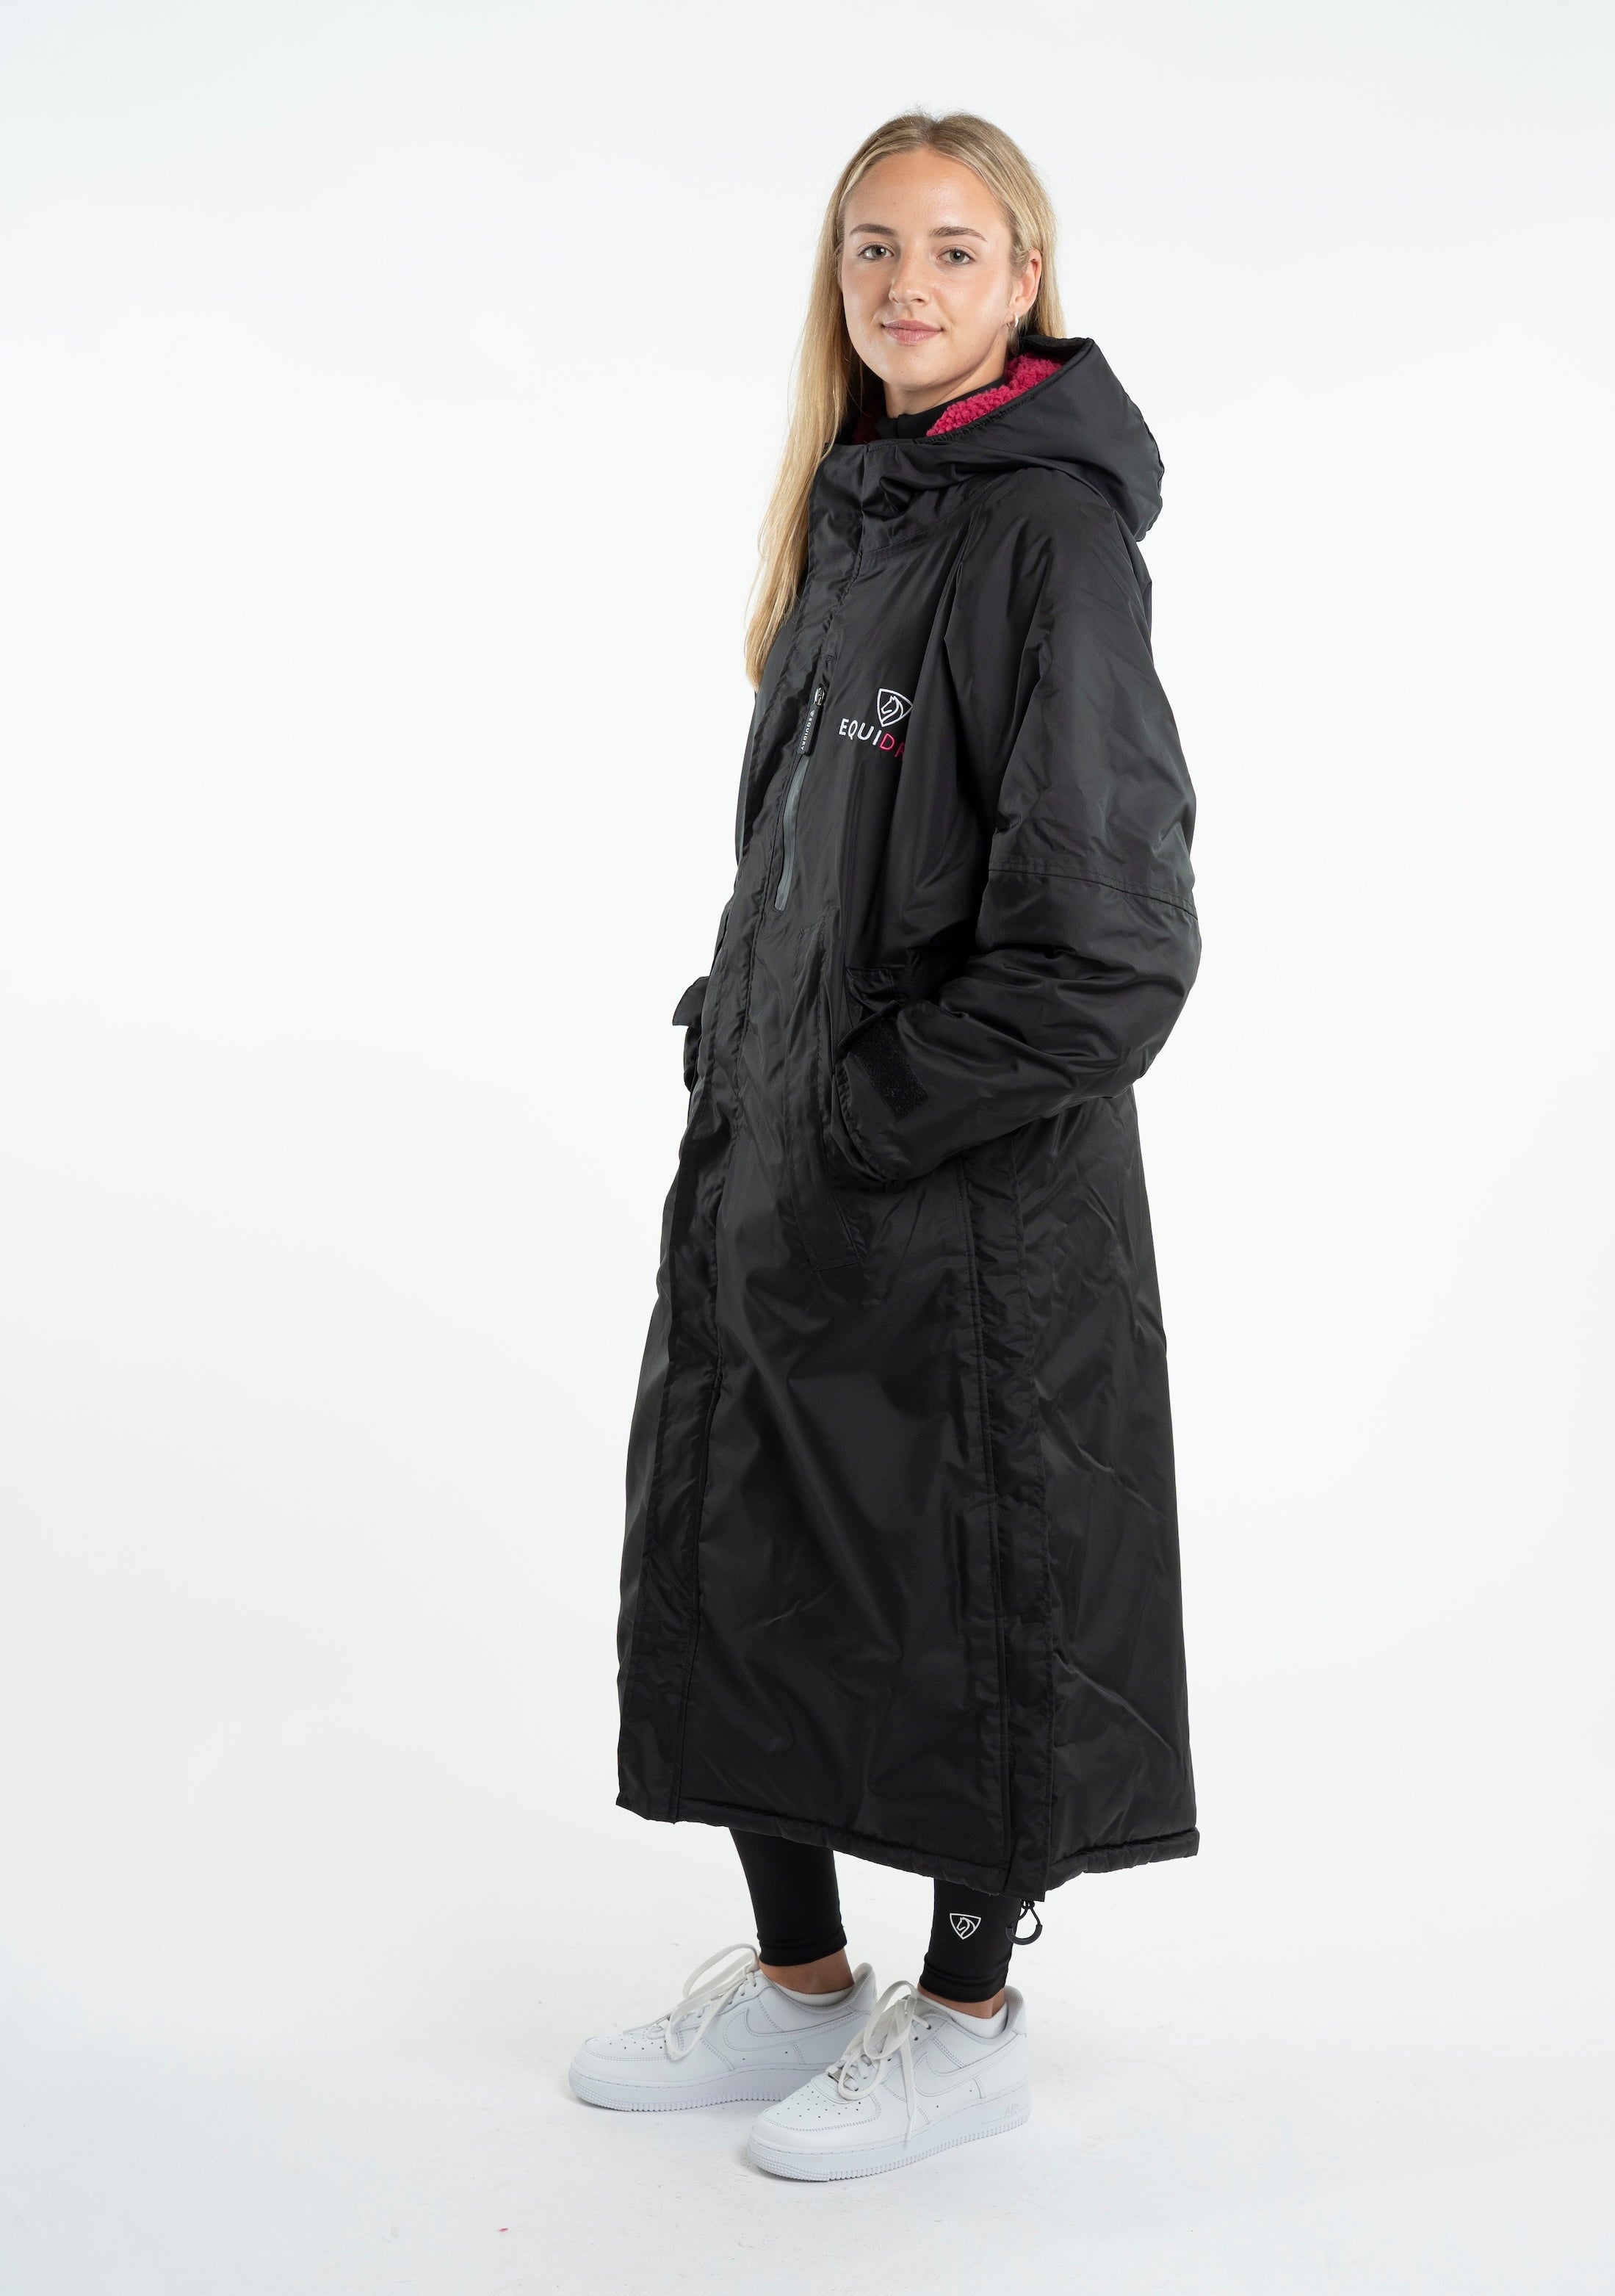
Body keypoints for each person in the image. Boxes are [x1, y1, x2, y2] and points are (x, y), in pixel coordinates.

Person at [571, 109, 1202, 2181]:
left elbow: (1107, 950)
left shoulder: (1045, 541)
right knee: (756, 1554)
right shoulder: (860, 514)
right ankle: (798, 1984)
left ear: (1024, 278)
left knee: (965, 1587)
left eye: (949, 248)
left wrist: (866, 1107)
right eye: (870, 249)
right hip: (787, 1171)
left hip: (964, 1207)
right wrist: (746, 1042)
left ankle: (969, 2016)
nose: (904, 286)